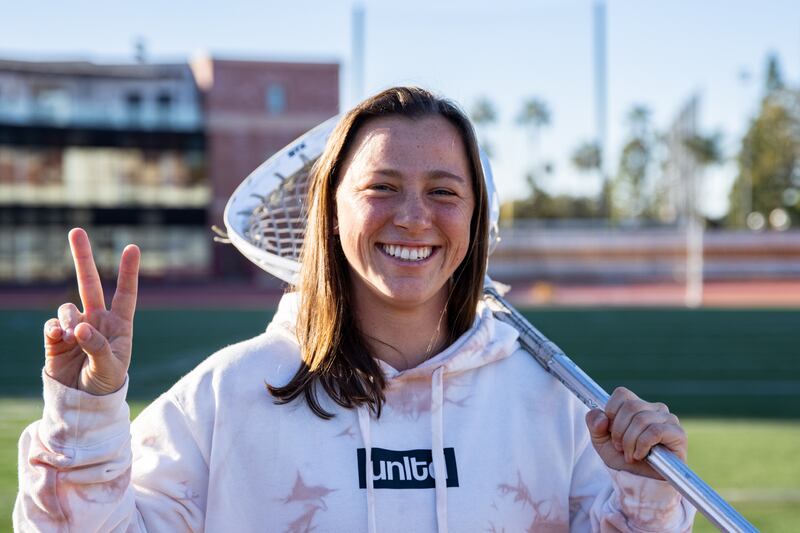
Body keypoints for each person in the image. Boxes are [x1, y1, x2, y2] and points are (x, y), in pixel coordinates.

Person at [15, 87, 694, 532]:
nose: (413, 216)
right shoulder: (222, 397)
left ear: (476, 217)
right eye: (382, 186)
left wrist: (647, 491)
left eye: (444, 191)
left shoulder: (557, 407)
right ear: (330, 211)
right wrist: (85, 418)